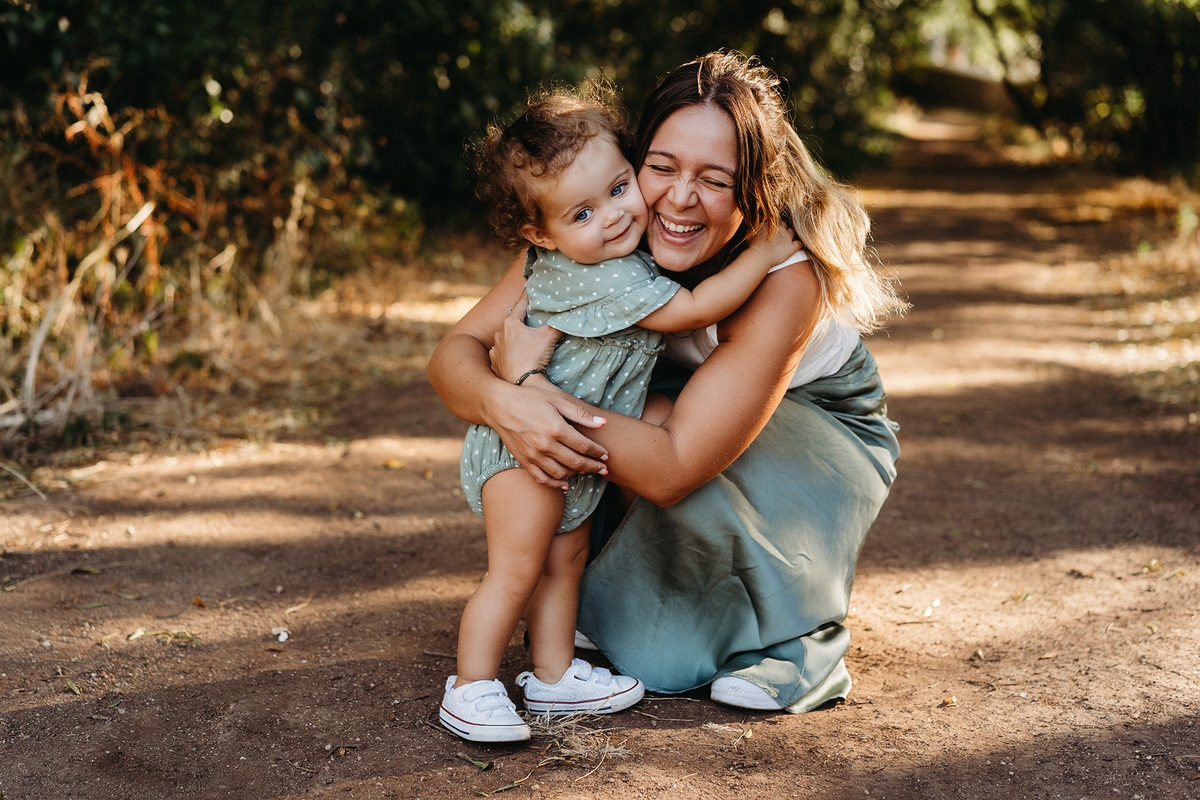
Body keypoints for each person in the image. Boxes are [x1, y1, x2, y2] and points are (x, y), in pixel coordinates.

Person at [428, 51, 906, 716]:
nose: (680, 199)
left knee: (656, 446)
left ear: (754, 188)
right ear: (631, 160)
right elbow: (454, 353)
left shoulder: (783, 276)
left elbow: (674, 466)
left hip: (813, 423)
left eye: (715, 179)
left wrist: (540, 392)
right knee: (621, 438)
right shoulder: (596, 221)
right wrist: (506, 399)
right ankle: (610, 609)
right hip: (656, 408)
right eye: (661, 168)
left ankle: (797, 636)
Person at [438, 88, 801, 743]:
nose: (611, 217)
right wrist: (765, 254)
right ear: (539, 233)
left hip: (565, 452)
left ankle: (552, 677)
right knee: (517, 569)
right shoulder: (599, 273)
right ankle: (470, 686)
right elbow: (692, 311)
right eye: (581, 212)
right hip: (522, 451)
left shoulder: (605, 253)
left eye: (617, 189)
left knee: (564, 560)